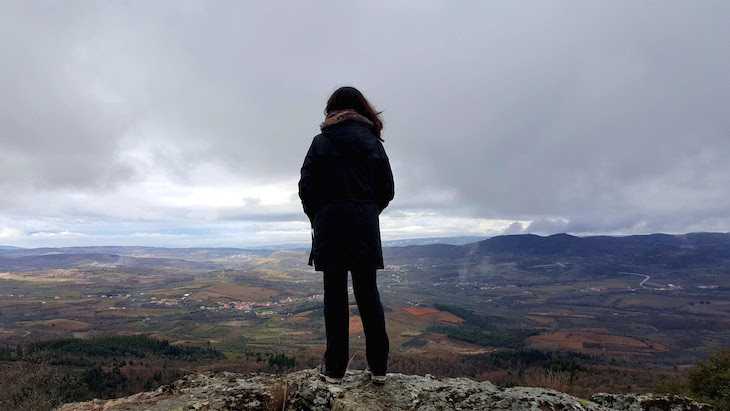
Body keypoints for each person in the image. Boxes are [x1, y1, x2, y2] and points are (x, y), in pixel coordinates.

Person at [298, 86, 394, 384]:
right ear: (361, 110)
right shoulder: (375, 145)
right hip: (365, 226)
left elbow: (306, 189)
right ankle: (378, 368)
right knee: (368, 294)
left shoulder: (321, 143)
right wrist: (366, 211)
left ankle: (336, 369)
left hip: (330, 226)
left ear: (331, 111)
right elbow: (387, 191)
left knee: (335, 295)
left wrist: (321, 215)